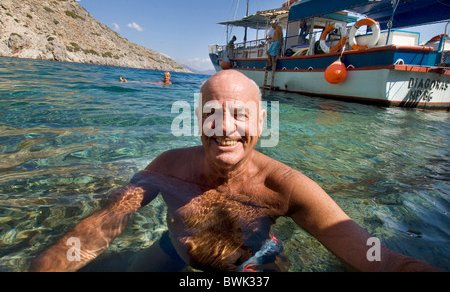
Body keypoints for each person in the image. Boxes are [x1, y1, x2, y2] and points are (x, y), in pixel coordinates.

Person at [30, 70, 441, 272]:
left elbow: (376, 257)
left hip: (251, 261)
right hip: (176, 247)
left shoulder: (286, 187)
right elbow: (101, 224)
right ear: (197, 120)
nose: (225, 127)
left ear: (261, 122)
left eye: (239, 115)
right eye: (213, 114)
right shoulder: (167, 166)